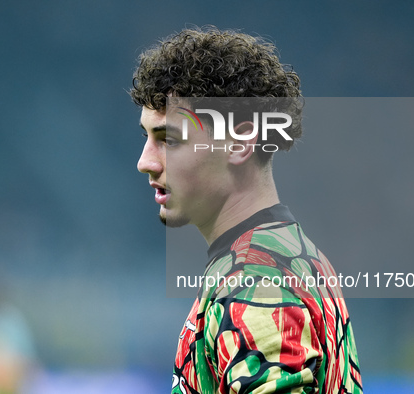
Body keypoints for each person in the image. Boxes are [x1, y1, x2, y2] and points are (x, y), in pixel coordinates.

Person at [131, 27, 362, 394]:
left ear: (238, 143)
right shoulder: (288, 252)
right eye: (146, 137)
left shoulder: (256, 283)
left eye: (168, 140)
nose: (145, 162)